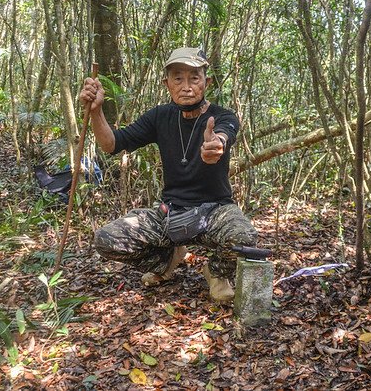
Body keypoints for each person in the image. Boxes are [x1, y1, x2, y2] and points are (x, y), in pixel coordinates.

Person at [80, 47, 258, 302]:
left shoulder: (223, 116)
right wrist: (96, 111)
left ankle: (217, 272)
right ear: (167, 84)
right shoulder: (159, 116)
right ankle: (167, 262)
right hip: (172, 212)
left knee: (244, 237)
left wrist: (214, 147)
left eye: (194, 78)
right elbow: (112, 144)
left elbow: (222, 138)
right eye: (178, 78)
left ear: (206, 82)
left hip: (215, 210)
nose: (186, 86)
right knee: (106, 240)